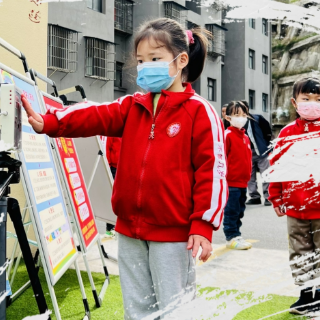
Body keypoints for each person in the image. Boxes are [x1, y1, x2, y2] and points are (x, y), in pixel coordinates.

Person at [21, 18, 228, 320]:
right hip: (129, 229)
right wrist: (51, 122)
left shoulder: (200, 111)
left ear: (181, 60)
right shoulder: (133, 105)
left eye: (155, 59)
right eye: (141, 60)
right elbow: (92, 115)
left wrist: (203, 224)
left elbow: (212, 171)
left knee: (175, 307)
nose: (145, 67)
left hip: (172, 234)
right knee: (138, 308)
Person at [269, 77, 320, 315]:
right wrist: (276, 198)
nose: (312, 104)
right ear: (294, 102)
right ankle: (306, 295)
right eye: (306, 99)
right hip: (295, 209)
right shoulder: (287, 133)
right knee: (299, 252)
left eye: (318, 100)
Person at [223, 101, 252, 250]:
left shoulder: (245, 137)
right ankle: (231, 236)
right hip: (231, 182)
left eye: (244, 114)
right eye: (236, 115)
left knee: (239, 211)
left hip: (242, 182)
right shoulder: (227, 135)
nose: (241, 118)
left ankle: (237, 234)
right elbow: (221, 159)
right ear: (228, 118)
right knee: (231, 211)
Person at [242, 100, 272, 206]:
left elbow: (268, 131)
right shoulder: (237, 121)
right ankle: (254, 197)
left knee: (266, 174)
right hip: (246, 153)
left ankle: (268, 197)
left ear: (247, 108)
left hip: (261, 151)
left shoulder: (257, 118)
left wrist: (266, 145)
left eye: (243, 108)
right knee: (250, 176)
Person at [105, 136, 122, 237]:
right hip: (114, 168)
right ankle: (110, 227)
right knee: (112, 196)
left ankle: (118, 226)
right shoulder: (113, 132)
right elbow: (107, 148)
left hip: (124, 167)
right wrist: (108, 165)